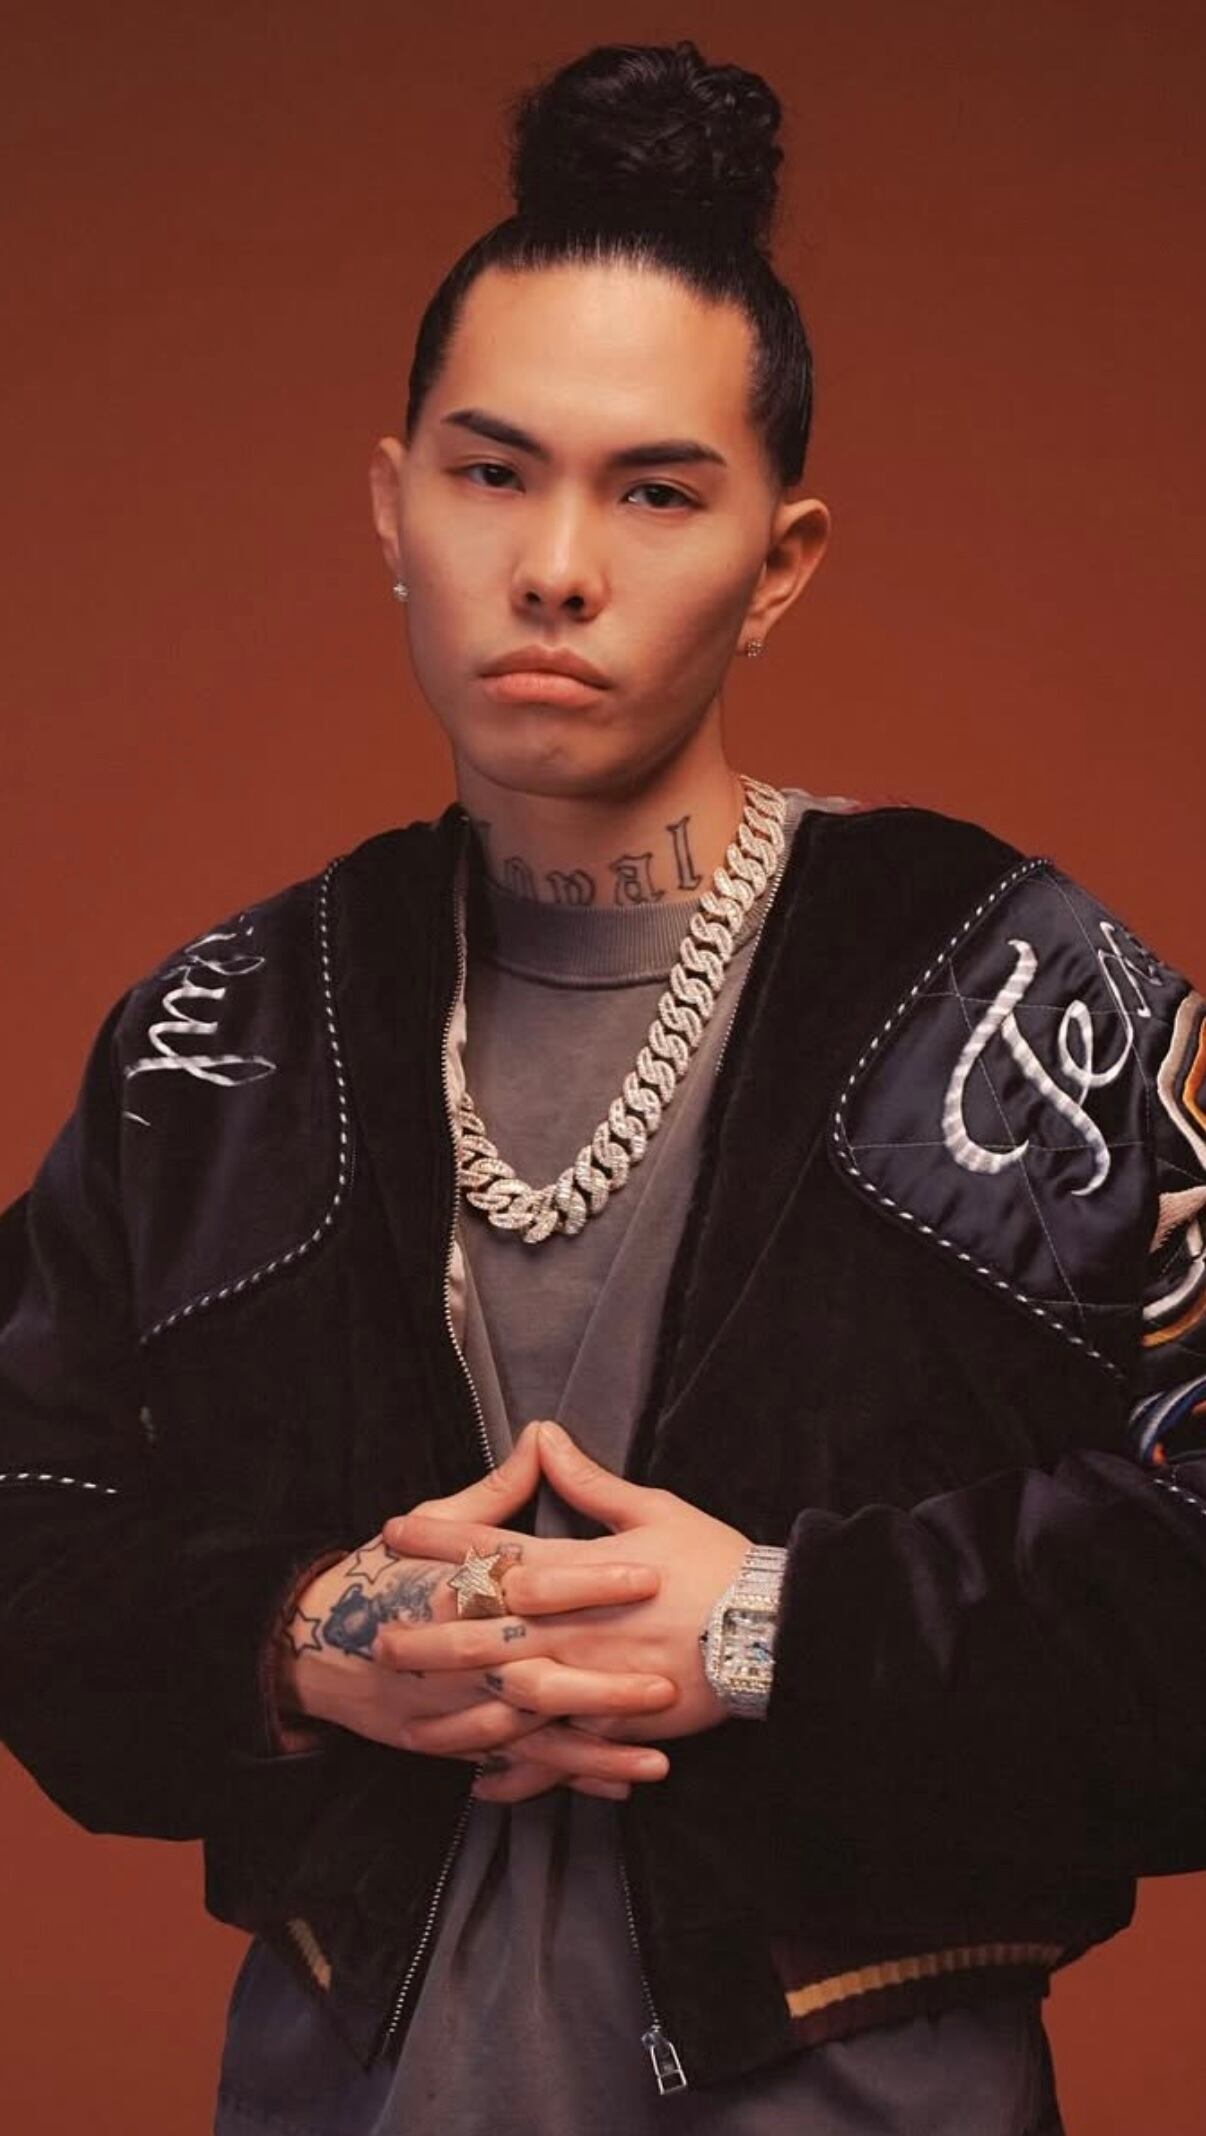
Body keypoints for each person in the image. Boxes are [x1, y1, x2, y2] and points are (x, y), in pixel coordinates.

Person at [3, 36, 1205, 2136]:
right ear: (390, 506)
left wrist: (777, 1625)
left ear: (782, 559)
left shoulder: (1009, 991)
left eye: (655, 491)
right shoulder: (222, 1036)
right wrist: (299, 1633)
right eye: (492, 474)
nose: (557, 565)